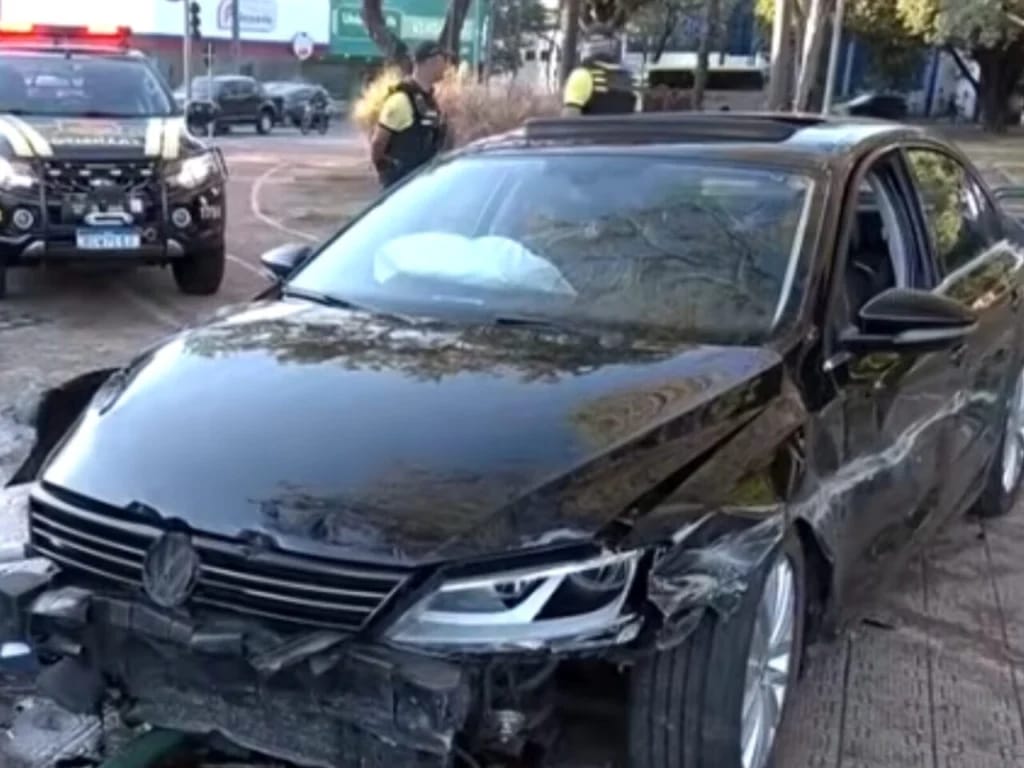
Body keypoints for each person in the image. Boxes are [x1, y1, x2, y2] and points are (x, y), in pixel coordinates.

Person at [370, 42, 449, 189]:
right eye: (443, 59)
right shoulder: (401, 100)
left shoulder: (429, 100)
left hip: (421, 182)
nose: (446, 65)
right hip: (401, 187)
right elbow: (378, 143)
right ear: (430, 61)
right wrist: (389, 171)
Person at [562, 27, 638, 116]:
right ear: (612, 46)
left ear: (585, 46)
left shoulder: (582, 75)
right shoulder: (626, 76)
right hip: (626, 129)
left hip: (591, 129)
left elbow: (570, 115)